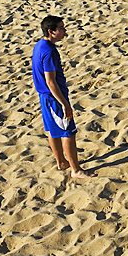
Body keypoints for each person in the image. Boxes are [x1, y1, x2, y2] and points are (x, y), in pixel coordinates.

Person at [31, 16, 95, 178]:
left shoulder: (39, 45)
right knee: (68, 132)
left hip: (45, 97)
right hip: (53, 99)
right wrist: (65, 104)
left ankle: (61, 163)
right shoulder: (50, 51)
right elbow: (51, 82)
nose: (64, 31)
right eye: (61, 28)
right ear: (51, 32)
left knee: (52, 131)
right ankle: (76, 170)